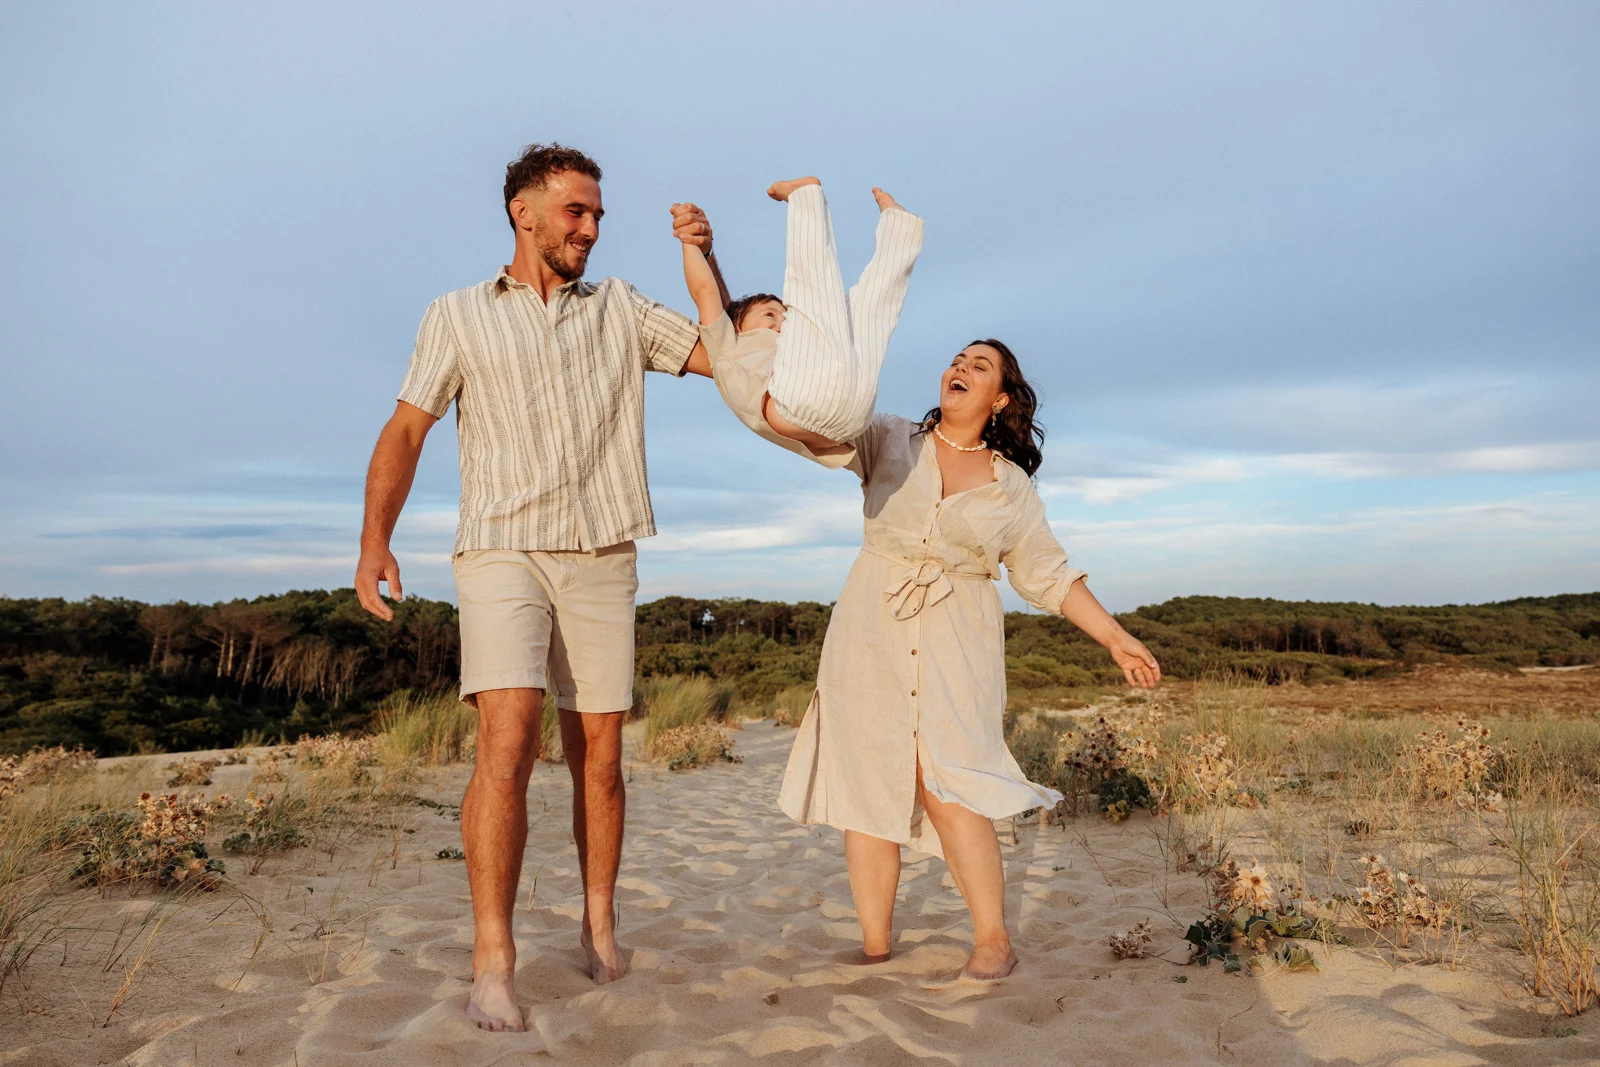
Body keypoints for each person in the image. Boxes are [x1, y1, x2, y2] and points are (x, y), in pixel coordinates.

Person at [687, 202, 1162, 976]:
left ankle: (992, 941)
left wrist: (1113, 635)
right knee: (867, 784)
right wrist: (762, 374)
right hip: (869, 628)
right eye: (958, 358)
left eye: (981, 365)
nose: (961, 367)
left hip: (957, 640)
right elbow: (820, 430)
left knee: (954, 784)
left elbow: (1047, 572)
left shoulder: (1011, 488)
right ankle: (875, 944)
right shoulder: (889, 436)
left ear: (1003, 398)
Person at [354, 143, 725, 1033]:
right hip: (500, 547)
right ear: (525, 213)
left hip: (603, 548)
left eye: (598, 216)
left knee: (600, 756)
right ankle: (494, 959)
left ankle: (600, 927)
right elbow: (406, 430)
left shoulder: (623, 309)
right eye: (576, 213)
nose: (591, 230)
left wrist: (706, 260)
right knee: (508, 742)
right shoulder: (456, 314)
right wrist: (375, 537)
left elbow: (723, 356)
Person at [681, 177, 922, 445]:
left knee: (868, 313)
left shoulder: (793, 346)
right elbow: (705, 290)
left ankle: (900, 234)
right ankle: (806, 200)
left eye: (784, 315)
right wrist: (689, 242)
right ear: (737, 326)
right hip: (809, 406)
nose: (782, 321)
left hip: (852, 411)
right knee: (813, 293)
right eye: (770, 314)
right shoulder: (727, 345)